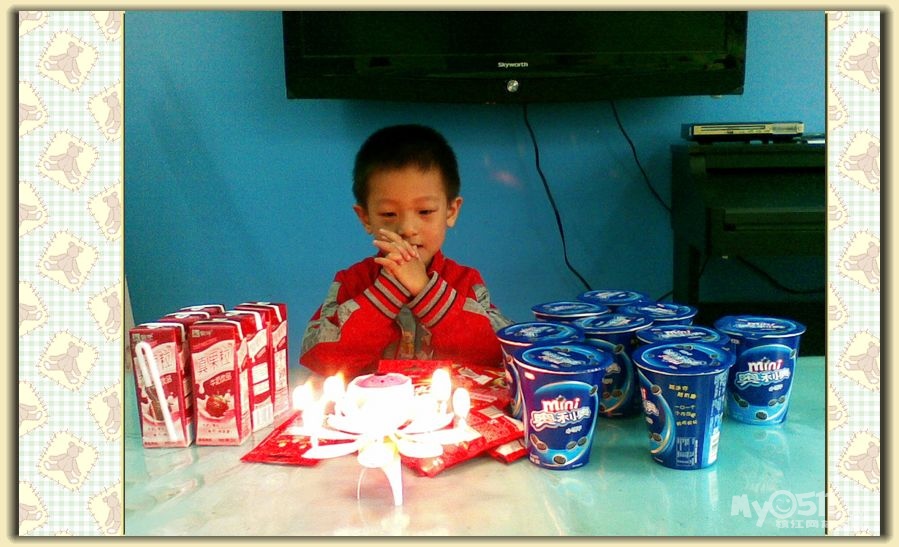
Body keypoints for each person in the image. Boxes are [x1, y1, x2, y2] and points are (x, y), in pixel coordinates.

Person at [300, 124, 511, 378]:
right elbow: (318, 357)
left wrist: (425, 290)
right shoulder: (351, 282)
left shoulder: (467, 282)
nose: (407, 229)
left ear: (451, 211)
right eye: (389, 214)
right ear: (365, 218)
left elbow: (501, 353)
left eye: (425, 211)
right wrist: (389, 291)